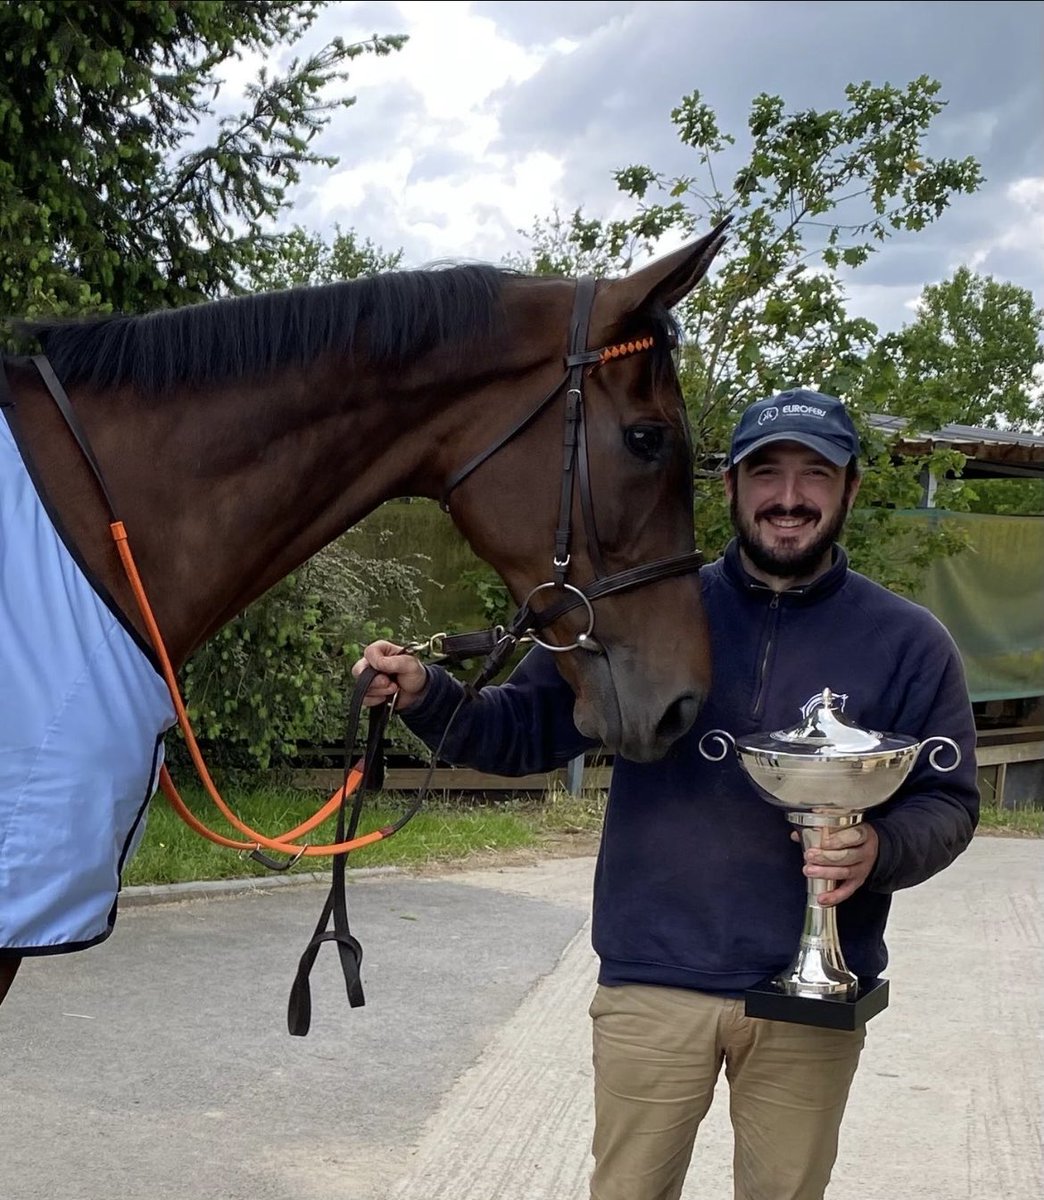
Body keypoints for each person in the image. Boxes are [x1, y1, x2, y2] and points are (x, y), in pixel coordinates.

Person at [353, 389, 980, 1200]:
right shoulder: (640, 607)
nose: (789, 498)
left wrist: (880, 849)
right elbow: (525, 730)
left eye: (814, 474)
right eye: (767, 473)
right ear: (729, 487)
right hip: (655, 979)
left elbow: (949, 802)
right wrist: (426, 696)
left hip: (811, 998)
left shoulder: (909, 642)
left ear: (851, 489)